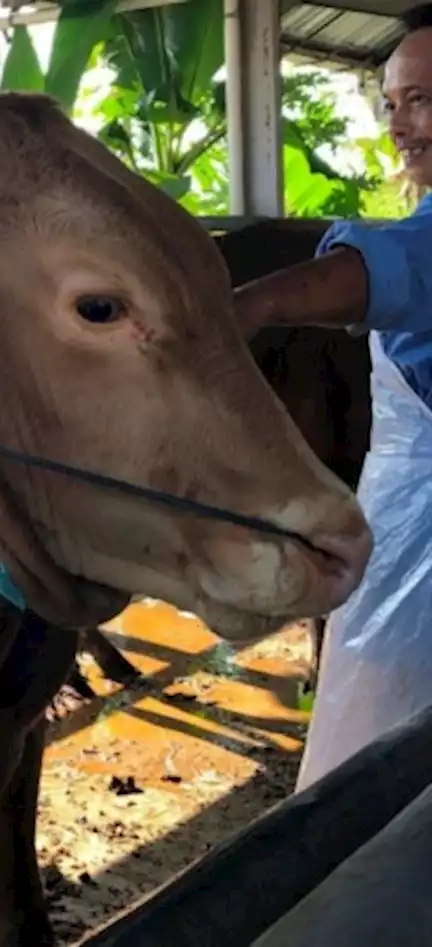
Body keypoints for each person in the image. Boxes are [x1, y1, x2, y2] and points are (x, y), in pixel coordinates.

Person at [232, 4, 432, 792]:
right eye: (391, 104)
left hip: (417, 555)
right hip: (404, 528)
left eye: (421, 100)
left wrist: (239, 308)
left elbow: (372, 271)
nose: (400, 126)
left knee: (377, 774)